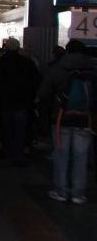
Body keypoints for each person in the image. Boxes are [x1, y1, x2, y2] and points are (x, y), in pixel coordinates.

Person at [39, 40, 96, 204]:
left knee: (61, 156)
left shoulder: (57, 68)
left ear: (67, 51)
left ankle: (61, 191)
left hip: (60, 119)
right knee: (81, 156)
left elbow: (44, 93)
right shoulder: (92, 69)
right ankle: (78, 194)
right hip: (85, 119)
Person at [0, 37, 41, 166]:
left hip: (5, 101)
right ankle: (17, 155)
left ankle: (5, 151)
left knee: (5, 127)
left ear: (6, 47)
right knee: (20, 130)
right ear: (18, 48)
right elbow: (36, 80)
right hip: (22, 102)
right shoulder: (27, 63)